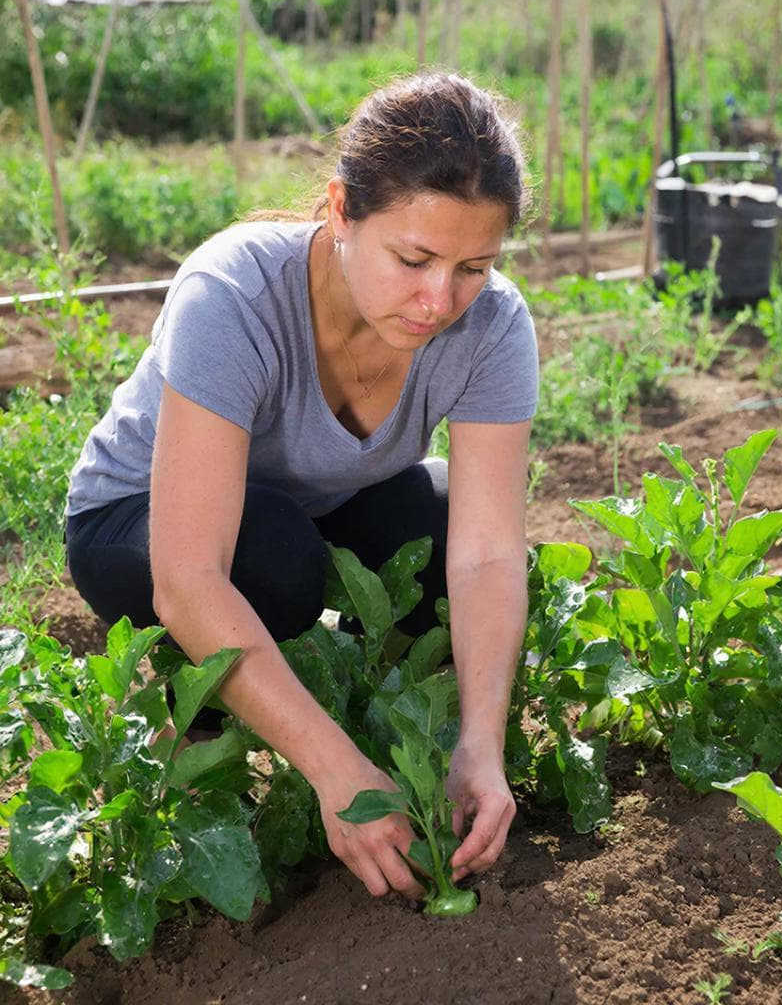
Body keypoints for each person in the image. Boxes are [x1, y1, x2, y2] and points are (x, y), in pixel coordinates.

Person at [64, 72, 538, 903]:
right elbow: (188, 575)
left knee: (431, 519)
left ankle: (352, 720)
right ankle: (192, 723)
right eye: (414, 258)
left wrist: (479, 741)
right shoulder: (236, 292)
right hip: (136, 528)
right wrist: (335, 773)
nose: (439, 301)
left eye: (474, 266)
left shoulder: (492, 325)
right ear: (341, 210)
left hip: (307, 513)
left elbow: (489, 553)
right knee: (273, 558)